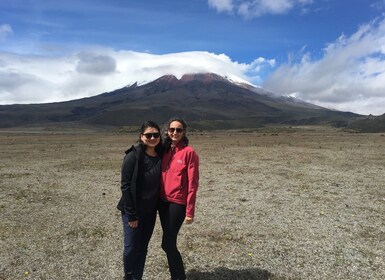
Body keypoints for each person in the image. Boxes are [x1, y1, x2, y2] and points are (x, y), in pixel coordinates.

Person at [117, 121, 163, 280]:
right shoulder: (133, 156)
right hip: (133, 212)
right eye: (148, 135)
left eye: (155, 135)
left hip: (150, 212)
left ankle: (137, 277)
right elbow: (126, 186)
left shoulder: (161, 155)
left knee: (143, 247)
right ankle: (128, 276)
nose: (152, 138)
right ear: (141, 136)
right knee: (131, 248)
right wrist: (131, 215)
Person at [159, 118, 200, 280]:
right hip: (162, 202)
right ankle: (174, 276)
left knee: (167, 243)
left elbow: (193, 183)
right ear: (168, 131)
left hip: (178, 204)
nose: (175, 133)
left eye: (179, 130)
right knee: (170, 243)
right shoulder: (165, 150)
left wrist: (190, 211)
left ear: (184, 132)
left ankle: (180, 277)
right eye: (172, 130)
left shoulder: (189, 153)